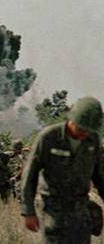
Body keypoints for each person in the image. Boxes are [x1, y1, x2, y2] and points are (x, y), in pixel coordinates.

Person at [21, 96, 104, 243]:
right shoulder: (49, 137)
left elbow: (100, 176)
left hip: (80, 210)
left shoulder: (93, 140)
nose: (84, 134)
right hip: (53, 211)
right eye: (81, 128)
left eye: (88, 130)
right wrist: (28, 211)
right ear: (71, 120)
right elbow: (29, 174)